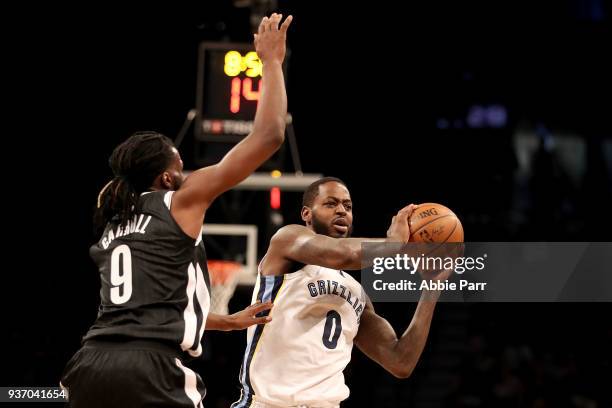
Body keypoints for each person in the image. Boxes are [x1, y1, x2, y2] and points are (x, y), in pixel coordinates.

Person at [60, 13, 293, 408]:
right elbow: (269, 135)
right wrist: (271, 62)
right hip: (151, 370)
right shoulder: (180, 199)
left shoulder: (112, 220)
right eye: (182, 168)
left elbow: (146, 307)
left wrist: (227, 321)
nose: (190, 174)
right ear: (167, 179)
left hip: (87, 367)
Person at [232, 177, 453, 408]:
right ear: (307, 214)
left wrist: (431, 289)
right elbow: (345, 255)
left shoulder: (357, 292)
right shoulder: (287, 241)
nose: (341, 211)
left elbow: (400, 362)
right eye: (331, 204)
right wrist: (395, 242)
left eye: (347, 206)